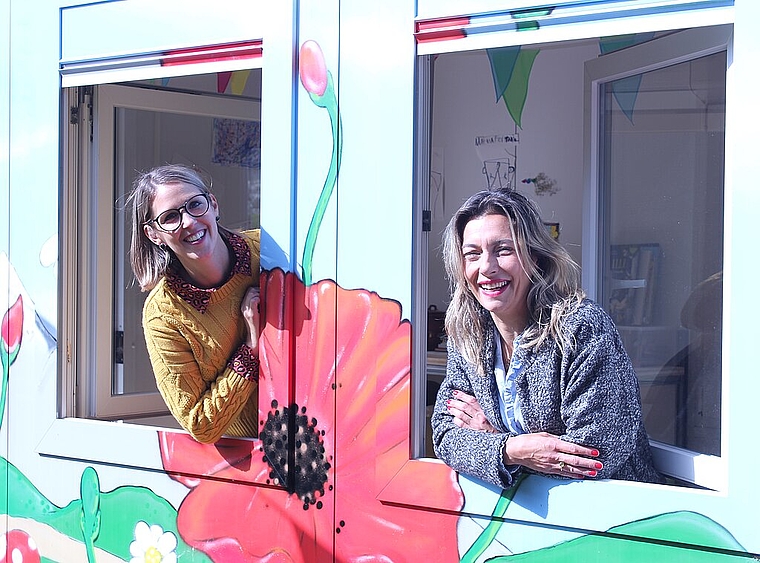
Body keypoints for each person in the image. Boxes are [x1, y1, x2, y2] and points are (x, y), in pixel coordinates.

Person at [431, 188, 662, 489]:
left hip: (612, 522)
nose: (487, 267)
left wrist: (490, 441)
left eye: (503, 249)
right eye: (472, 254)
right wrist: (511, 450)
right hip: (517, 518)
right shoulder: (468, 333)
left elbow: (596, 454)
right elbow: (444, 435)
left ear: (536, 257)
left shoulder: (581, 328)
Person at [128, 164, 261, 444]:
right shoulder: (163, 316)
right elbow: (200, 425)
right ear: (153, 234)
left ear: (213, 204)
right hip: (259, 467)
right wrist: (251, 348)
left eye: (194, 205)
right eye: (170, 217)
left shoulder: (270, 249)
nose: (188, 222)